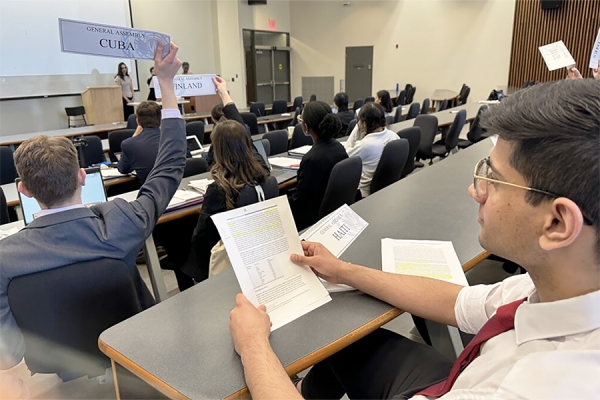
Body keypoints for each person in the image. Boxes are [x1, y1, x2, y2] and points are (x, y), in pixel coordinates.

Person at [229, 79, 600, 399]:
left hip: (463, 384)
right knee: (342, 345)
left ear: (557, 223)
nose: (476, 190)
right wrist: (343, 270)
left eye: (493, 179)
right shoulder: (564, 285)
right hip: (467, 371)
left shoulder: (521, 387)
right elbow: (457, 300)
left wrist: (253, 346)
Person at [0, 41, 186, 370]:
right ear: (82, 176)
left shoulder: (4, 259)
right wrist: (166, 85)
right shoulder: (123, 222)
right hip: (135, 360)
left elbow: (7, 356)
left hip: (58, 374)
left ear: (24, 190)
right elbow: (169, 167)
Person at [182, 120, 270, 283]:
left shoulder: (219, 190)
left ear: (217, 150)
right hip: (255, 252)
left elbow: (202, 237)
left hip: (223, 262)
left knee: (178, 245)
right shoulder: (263, 177)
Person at [287, 101, 348, 231]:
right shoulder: (339, 148)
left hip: (312, 222)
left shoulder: (311, 158)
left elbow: (300, 202)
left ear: (306, 126)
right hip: (336, 215)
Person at [344, 102, 399, 198]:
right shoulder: (393, 135)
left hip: (363, 192)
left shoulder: (366, 145)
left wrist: (355, 131)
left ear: (364, 124)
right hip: (385, 188)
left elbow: (344, 156)